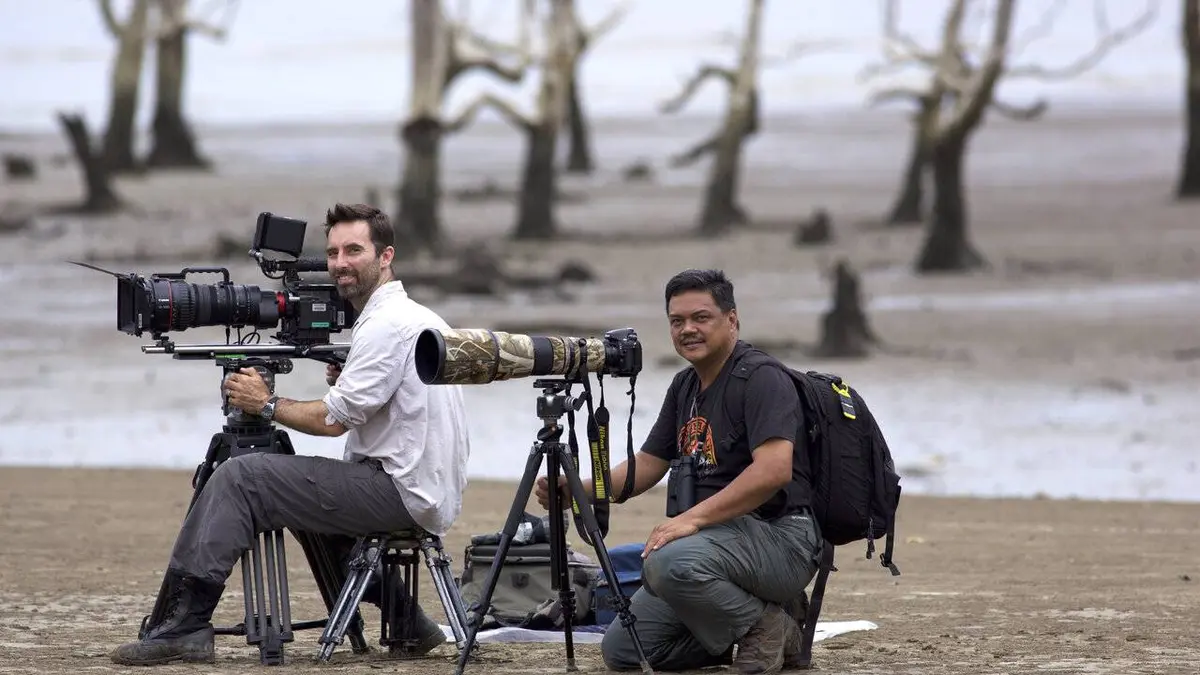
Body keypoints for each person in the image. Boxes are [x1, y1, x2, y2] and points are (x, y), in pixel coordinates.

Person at [111, 203, 471, 666]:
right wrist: (347, 377)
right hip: (426, 489)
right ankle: (407, 620)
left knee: (242, 478)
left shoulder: (386, 325)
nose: (340, 263)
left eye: (354, 250)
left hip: (401, 491)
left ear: (386, 256)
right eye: (333, 253)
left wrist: (265, 404)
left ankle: (184, 627)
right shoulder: (415, 315)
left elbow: (332, 422)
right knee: (297, 487)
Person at [535, 269, 822, 675]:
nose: (688, 329)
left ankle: (765, 625)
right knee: (624, 651)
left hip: (782, 538)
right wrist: (581, 490)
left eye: (700, 317)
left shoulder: (762, 378)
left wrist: (691, 520)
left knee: (666, 560)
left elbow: (773, 471)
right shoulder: (685, 385)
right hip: (714, 546)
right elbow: (648, 465)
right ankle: (758, 626)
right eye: (677, 321)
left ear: (732, 320)